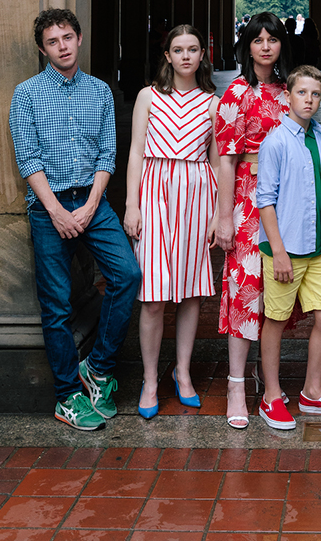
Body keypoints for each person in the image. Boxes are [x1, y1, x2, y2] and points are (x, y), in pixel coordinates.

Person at [9, 8, 141, 431]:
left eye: (67, 37)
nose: (62, 46)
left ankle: (98, 366)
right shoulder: (26, 94)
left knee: (128, 275)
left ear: (79, 39)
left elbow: (107, 155)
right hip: (48, 209)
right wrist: (57, 212)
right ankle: (67, 395)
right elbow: (27, 158)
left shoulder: (100, 91)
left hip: (93, 202)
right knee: (57, 304)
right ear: (43, 49)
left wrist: (89, 206)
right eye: (53, 41)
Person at [124, 24, 220, 418]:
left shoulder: (213, 103)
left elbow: (217, 162)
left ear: (202, 55)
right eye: (178, 49)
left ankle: (182, 372)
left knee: (191, 291)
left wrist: (218, 212)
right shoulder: (149, 96)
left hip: (197, 193)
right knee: (152, 296)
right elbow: (134, 153)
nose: (185, 56)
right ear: (167, 55)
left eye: (192, 49)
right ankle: (150, 379)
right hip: (154, 190)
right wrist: (131, 204)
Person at [256, 66, 321, 429]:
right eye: (302, 93)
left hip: (319, 251)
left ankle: (312, 392)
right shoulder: (276, 141)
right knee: (277, 321)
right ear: (289, 96)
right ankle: (271, 395)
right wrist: (278, 251)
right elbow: (265, 200)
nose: (309, 100)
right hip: (286, 250)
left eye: (315, 94)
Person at [215, 12, 292, 428]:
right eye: (257, 38)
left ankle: (268, 372)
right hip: (247, 199)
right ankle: (235, 384)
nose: (265, 45)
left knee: (276, 290)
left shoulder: (288, 90)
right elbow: (225, 160)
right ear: (247, 44)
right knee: (245, 288)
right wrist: (223, 216)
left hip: (283, 202)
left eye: (272, 38)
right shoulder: (237, 93)